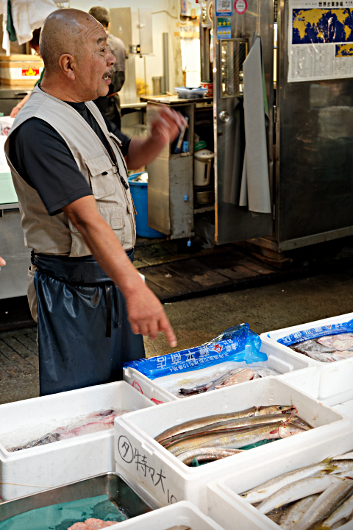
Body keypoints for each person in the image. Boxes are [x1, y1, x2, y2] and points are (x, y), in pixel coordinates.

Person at [5, 8, 185, 396]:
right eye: (101, 48)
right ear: (68, 64)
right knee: (85, 404)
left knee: (124, 393)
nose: (111, 59)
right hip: (73, 294)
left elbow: (124, 158)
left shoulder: (85, 106)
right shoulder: (38, 130)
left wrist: (156, 140)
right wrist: (136, 290)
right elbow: (86, 220)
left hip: (112, 281)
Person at [88, 6, 126, 129]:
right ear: (108, 24)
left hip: (98, 104)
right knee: (115, 142)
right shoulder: (120, 43)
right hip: (115, 103)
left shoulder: (93, 44)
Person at [10, 29, 44, 118]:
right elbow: (36, 90)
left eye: (40, 53)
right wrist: (19, 106)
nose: (40, 57)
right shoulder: (47, 69)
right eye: (37, 53)